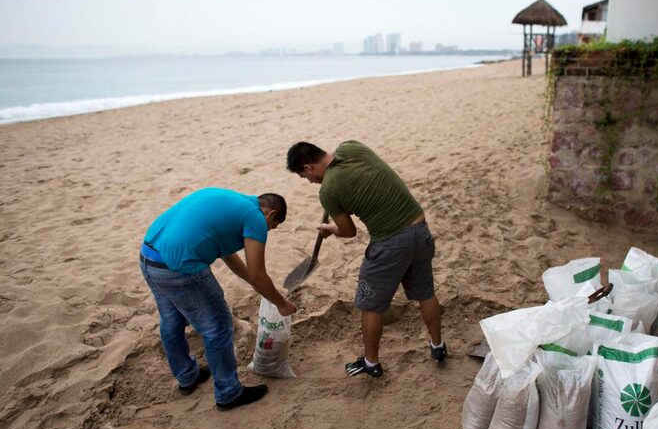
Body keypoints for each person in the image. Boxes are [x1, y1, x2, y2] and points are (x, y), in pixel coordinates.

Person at [286, 140, 444, 378]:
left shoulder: (328, 191)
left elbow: (349, 232)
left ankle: (371, 363)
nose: (309, 182)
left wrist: (330, 228)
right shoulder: (352, 148)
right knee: (425, 293)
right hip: (420, 230)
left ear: (308, 168)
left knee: (370, 305)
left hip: (389, 243)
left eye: (304, 177)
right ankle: (438, 346)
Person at [139, 187, 297, 410]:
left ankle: (187, 376)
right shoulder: (256, 218)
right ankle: (229, 392)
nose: (267, 231)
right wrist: (281, 303)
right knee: (219, 326)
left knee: (171, 321)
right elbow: (258, 274)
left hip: (149, 258)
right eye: (272, 227)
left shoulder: (231, 202)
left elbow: (229, 255)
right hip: (180, 268)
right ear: (270, 214)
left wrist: (253, 283)